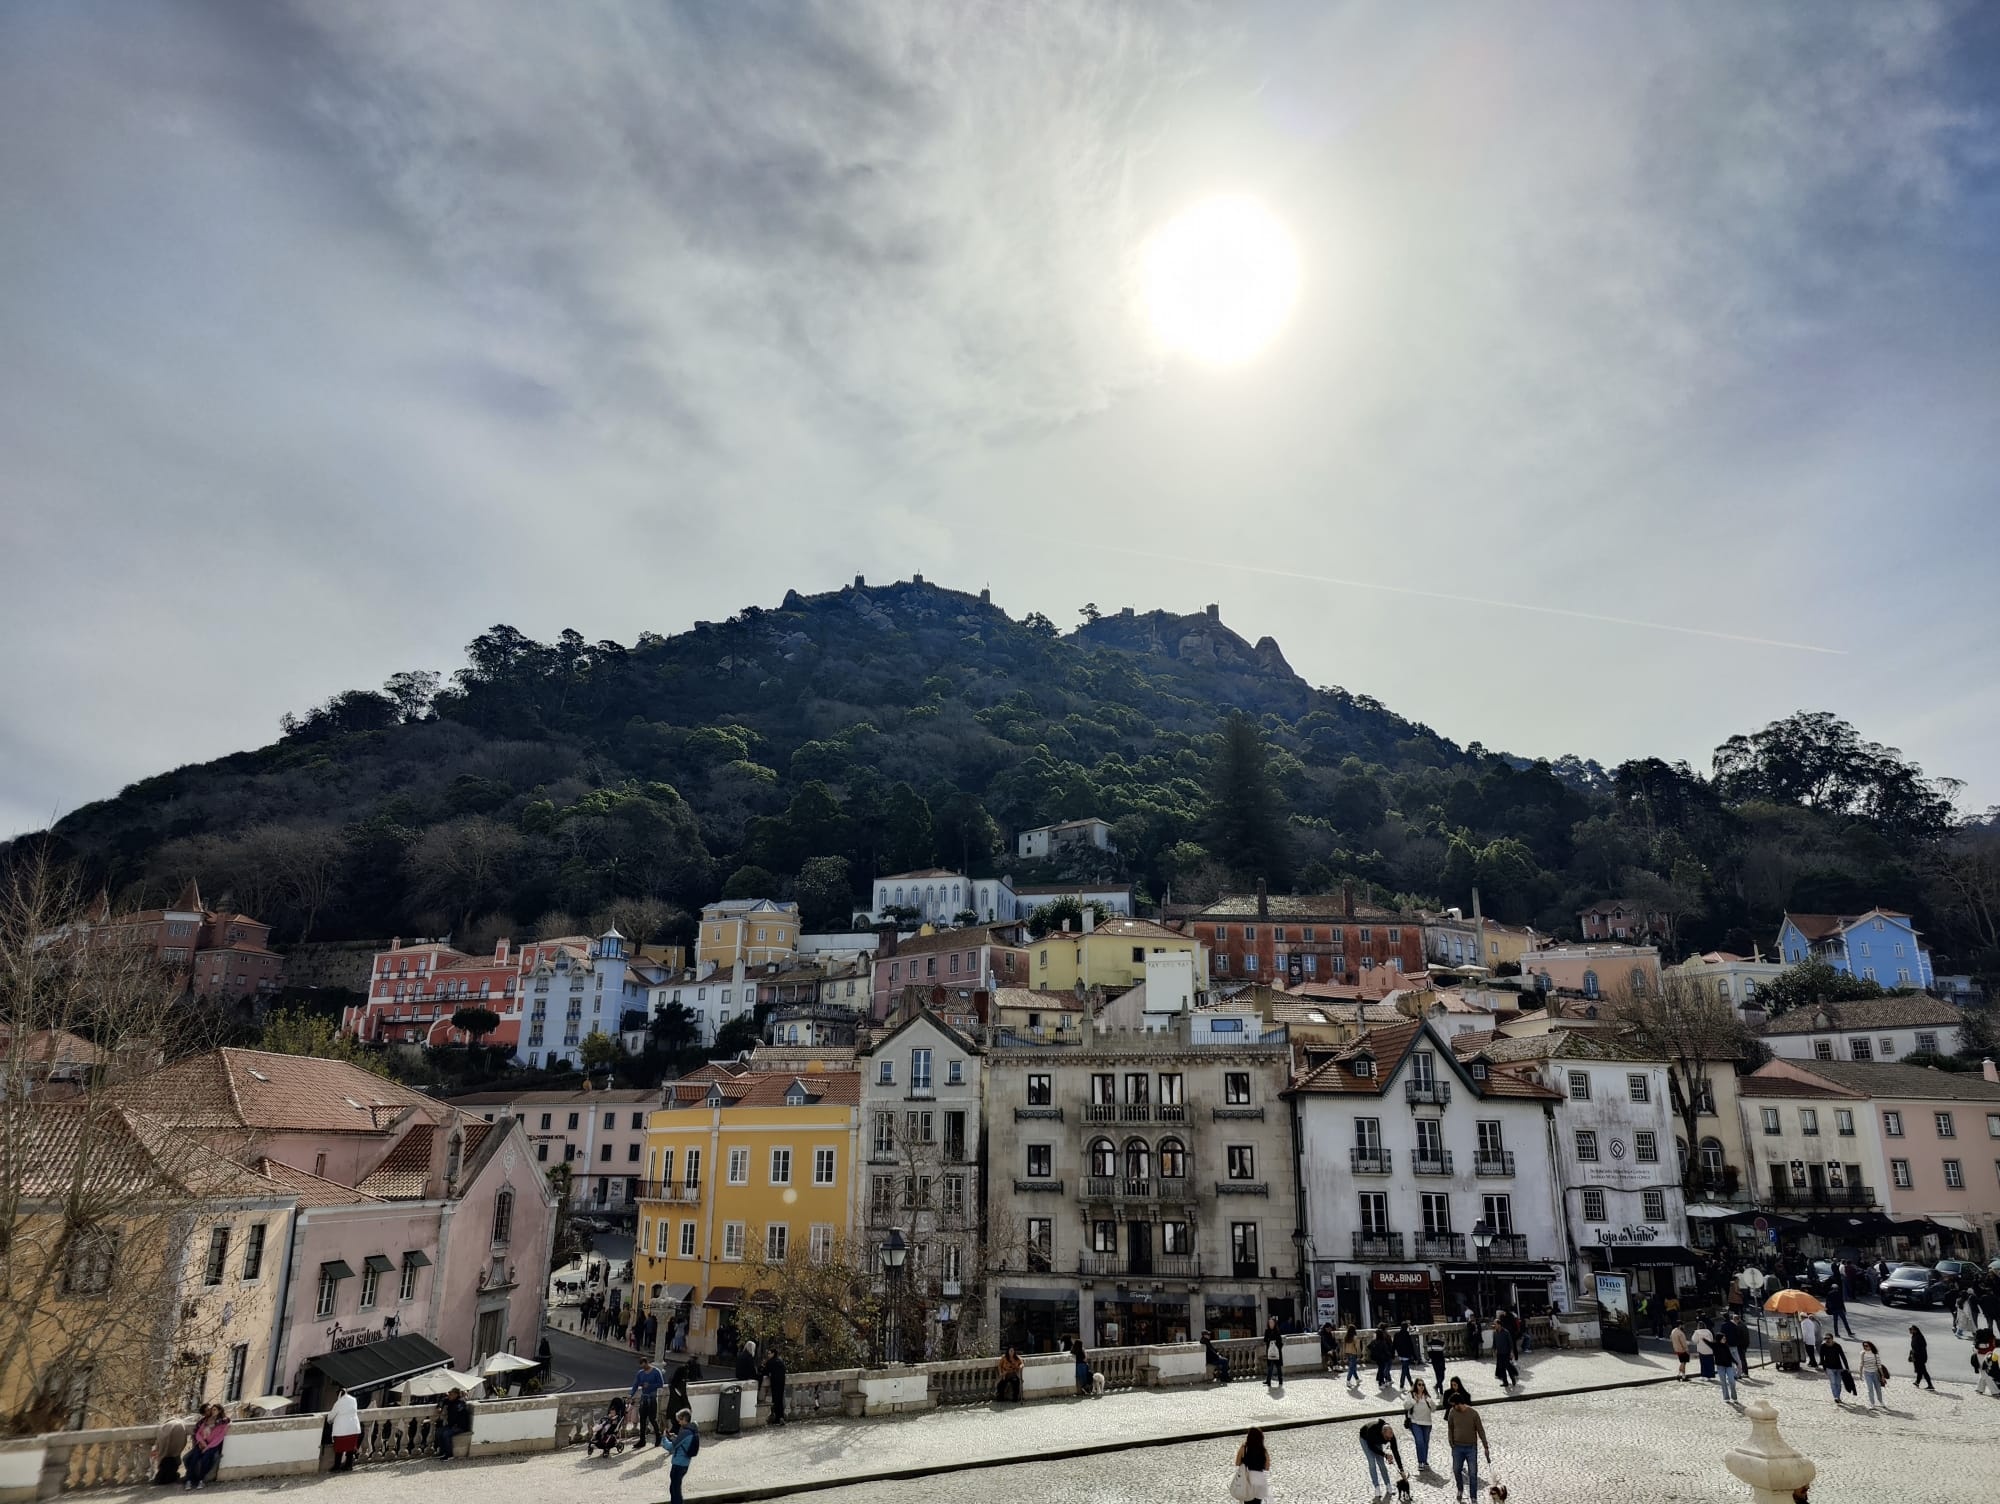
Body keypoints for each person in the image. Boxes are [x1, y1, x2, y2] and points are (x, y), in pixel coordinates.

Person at [1445, 1392, 1490, 1504]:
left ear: (1459, 1403)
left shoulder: (1473, 1414)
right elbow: (1450, 1428)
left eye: (1454, 1405)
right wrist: (1451, 1442)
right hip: (1457, 1447)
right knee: (1456, 1470)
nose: (1453, 1407)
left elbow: (1480, 1430)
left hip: (1471, 1448)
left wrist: (1485, 1446)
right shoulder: (1452, 1412)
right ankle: (1460, 1488)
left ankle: (1473, 1497)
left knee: (1473, 1473)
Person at [182, 1404, 228, 1490]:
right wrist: (202, 1442)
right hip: (202, 1443)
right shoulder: (205, 1420)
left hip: (212, 1445)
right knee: (193, 1458)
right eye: (211, 1410)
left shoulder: (223, 1422)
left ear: (219, 1411)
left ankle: (201, 1480)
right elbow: (198, 1433)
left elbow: (219, 1438)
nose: (212, 1411)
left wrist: (207, 1447)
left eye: (214, 1410)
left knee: (205, 1459)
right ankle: (189, 1480)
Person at [1358, 1415, 1404, 1500]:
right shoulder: (1372, 1430)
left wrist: (1401, 1470)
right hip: (1365, 1439)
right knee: (1372, 1462)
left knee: (1381, 1463)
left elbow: (1395, 1452)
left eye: (1390, 1437)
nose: (1389, 1439)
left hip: (1376, 1441)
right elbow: (1372, 1447)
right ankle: (1377, 1488)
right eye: (1387, 1438)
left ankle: (1388, 1485)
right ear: (1382, 1433)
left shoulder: (1390, 1435)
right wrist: (1385, 1455)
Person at [661, 1408, 698, 1504]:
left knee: (675, 1490)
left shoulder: (685, 1432)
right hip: (684, 1463)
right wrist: (674, 1437)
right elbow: (682, 1442)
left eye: (680, 1420)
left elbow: (671, 1447)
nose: (679, 1422)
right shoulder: (691, 1430)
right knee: (674, 1488)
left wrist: (664, 1438)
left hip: (678, 1464)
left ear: (684, 1419)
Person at [1403, 1378, 1438, 1473]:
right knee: (1419, 1441)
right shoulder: (1411, 1395)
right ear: (1416, 1385)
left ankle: (1424, 1460)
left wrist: (1430, 1401)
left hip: (1427, 1423)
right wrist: (1415, 1400)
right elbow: (1406, 1406)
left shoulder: (1427, 1396)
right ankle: (1420, 1462)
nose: (1421, 1386)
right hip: (1415, 1422)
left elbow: (1434, 1409)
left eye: (1423, 1385)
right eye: (1419, 1384)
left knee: (1425, 1442)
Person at [631, 1357, 666, 1446]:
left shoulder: (656, 1372)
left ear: (647, 1363)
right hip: (644, 1398)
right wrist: (630, 1395)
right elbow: (635, 1384)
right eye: (641, 1366)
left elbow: (661, 1384)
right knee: (642, 1420)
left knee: (652, 1419)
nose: (643, 1368)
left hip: (652, 1398)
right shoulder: (640, 1373)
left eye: (644, 1365)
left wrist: (650, 1385)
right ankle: (642, 1440)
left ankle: (658, 1436)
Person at [1235, 1425, 1273, 1502]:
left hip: (1248, 1479)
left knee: (1247, 1501)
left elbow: (1237, 1463)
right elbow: (1267, 1467)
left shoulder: (1244, 1448)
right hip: (1259, 1479)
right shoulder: (1263, 1450)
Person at [328, 1387, 362, 1473]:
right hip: (353, 1427)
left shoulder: (339, 1403)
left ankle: (337, 1467)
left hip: (341, 1429)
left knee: (339, 1449)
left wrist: (329, 1420)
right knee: (350, 1448)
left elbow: (331, 1416)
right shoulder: (353, 1400)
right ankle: (348, 1466)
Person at [152, 1414, 191, 1486]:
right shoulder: (180, 1424)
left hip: (165, 1457)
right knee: (172, 1462)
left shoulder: (165, 1426)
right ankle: (170, 1476)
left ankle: (163, 1477)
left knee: (165, 1463)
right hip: (174, 1455)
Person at [435, 1389, 471, 1459]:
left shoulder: (461, 1402)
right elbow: (443, 1400)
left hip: (460, 1426)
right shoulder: (450, 1400)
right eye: (449, 1393)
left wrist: (453, 1425)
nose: (449, 1395)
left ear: (456, 1394)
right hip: (451, 1425)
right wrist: (439, 1407)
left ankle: (449, 1454)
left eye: (451, 1394)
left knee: (446, 1434)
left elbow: (458, 1413)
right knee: (438, 1431)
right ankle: (442, 1451)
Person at [1821, 1334, 1851, 1405]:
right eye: (1825, 1338)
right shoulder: (1823, 1346)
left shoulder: (1837, 1346)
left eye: (1828, 1338)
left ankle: (1838, 1396)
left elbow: (1843, 1357)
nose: (1827, 1340)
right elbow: (1822, 1358)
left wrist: (1847, 1367)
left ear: (1832, 1339)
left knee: (1838, 1383)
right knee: (1833, 1383)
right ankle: (1836, 1397)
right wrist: (1824, 1368)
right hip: (1829, 1368)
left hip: (1838, 1368)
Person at [1715, 1325, 1740, 1405]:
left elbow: (1730, 1356)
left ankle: (1734, 1397)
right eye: (1723, 1338)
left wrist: (1736, 1363)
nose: (1725, 1339)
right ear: (1719, 1339)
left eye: (1725, 1338)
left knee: (1732, 1381)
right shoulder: (1716, 1347)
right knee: (1723, 1382)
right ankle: (1726, 1397)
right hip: (1720, 1366)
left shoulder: (1726, 1346)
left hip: (1728, 1365)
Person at [763, 1347, 787, 1426]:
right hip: (781, 1383)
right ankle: (781, 1417)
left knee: (776, 1401)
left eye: (769, 1353)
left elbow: (765, 1372)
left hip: (775, 1383)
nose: (768, 1355)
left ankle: (778, 1418)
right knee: (779, 1400)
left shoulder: (770, 1362)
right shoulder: (780, 1361)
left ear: (773, 1354)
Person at [1905, 1324, 1934, 1392]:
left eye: (1911, 1329)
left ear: (1915, 1330)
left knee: (1923, 1371)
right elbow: (1914, 1347)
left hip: (1920, 1357)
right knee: (1919, 1370)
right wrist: (1912, 1353)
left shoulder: (1919, 1337)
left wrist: (1915, 1353)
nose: (1910, 1331)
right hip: (1917, 1356)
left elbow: (1922, 1347)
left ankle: (1930, 1385)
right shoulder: (1914, 1336)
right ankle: (1917, 1382)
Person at [1490, 1316, 1517, 1389]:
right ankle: (1505, 1382)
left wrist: (1511, 1352)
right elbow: (1494, 1343)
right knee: (1502, 1368)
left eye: (1495, 1324)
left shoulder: (1506, 1332)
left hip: (1506, 1352)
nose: (1494, 1325)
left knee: (1508, 1367)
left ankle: (1513, 1378)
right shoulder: (1495, 1333)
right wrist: (1493, 1350)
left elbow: (1510, 1343)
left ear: (1499, 1324)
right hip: (1499, 1353)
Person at [1858, 1339, 1884, 1410]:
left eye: (1866, 1346)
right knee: (1870, 1389)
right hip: (1867, 1373)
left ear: (1870, 1346)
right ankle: (1872, 1404)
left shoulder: (1875, 1354)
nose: (1865, 1347)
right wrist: (1860, 1374)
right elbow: (1861, 1364)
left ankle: (1881, 1401)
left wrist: (1882, 1376)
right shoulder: (1863, 1353)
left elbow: (1879, 1365)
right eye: (1864, 1346)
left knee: (1878, 1389)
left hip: (1875, 1373)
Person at [1394, 1321, 1418, 1390]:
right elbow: (1411, 1346)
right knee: (1404, 1371)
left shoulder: (1396, 1334)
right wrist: (1415, 1357)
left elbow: (1394, 1345)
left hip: (1400, 1355)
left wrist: (1393, 1353)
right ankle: (1401, 1385)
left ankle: (1411, 1384)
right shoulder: (1407, 1335)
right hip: (1406, 1355)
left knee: (1406, 1370)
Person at [1263, 1317, 1285, 1385]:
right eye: (1269, 1323)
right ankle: (1268, 1381)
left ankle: (1280, 1380)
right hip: (1270, 1351)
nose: (1271, 1324)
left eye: (1272, 1323)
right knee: (1270, 1367)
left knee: (1278, 1367)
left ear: (1274, 1323)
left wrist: (1277, 1346)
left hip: (1277, 1351)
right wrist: (1269, 1340)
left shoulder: (1277, 1331)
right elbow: (1265, 1340)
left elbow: (1280, 1341)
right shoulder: (1267, 1331)